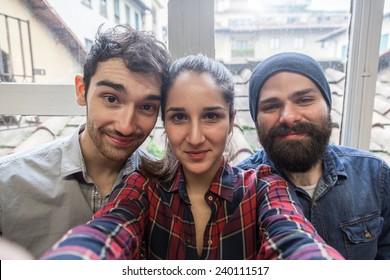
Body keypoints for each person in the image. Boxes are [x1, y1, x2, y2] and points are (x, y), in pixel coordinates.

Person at [41, 54, 343, 260]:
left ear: (231, 119)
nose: (195, 137)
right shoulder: (143, 187)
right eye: (179, 117)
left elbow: (295, 238)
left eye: (211, 116)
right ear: (164, 122)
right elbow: (106, 232)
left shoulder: (263, 187)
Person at [0, 24, 171, 258]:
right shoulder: (7, 184)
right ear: (81, 90)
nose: (125, 125)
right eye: (111, 99)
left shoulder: (168, 190)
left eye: (147, 107)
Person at [236, 52, 390, 259]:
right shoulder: (237, 191)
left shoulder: (375, 177)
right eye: (271, 106)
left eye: (305, 100)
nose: (289, 117)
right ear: (256, 120)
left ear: (328, 106)